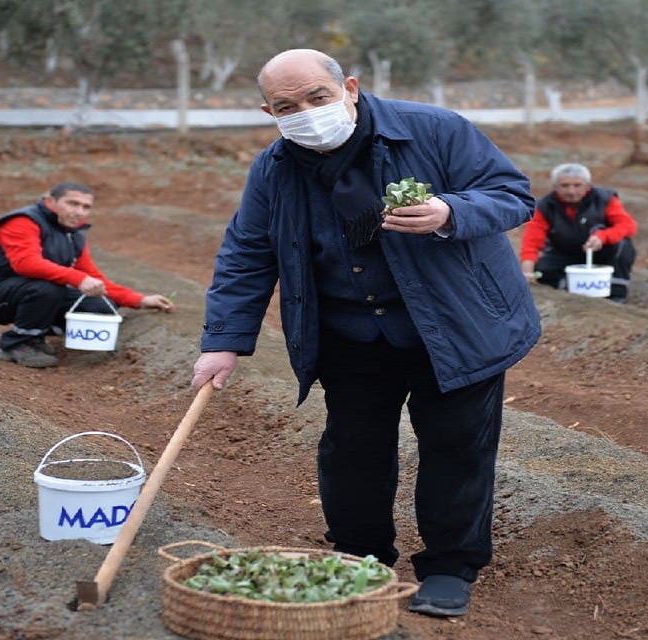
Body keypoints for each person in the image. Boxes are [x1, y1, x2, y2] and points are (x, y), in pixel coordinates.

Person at [189, 49, 541, 618]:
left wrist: (448, 212)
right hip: (350, 333)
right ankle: (360, 558)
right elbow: (248, 252)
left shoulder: (434, 130)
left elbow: (512, 195)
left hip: (455, 326)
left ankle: (451, 564)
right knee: (352, 452)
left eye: (317, 97)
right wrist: (222, 341)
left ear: (349, 87)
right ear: (268, 111)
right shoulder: (276, 168)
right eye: (287, 106)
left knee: (456, 448)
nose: (304, 112)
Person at [0, 182, 174, 368]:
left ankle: (36, 333)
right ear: (50, 202)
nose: (79, 211)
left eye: (86, 207)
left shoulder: (74, 235)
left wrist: (140, 300)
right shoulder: (22, 221)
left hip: (25, 291)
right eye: (73, 203)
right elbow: (26, 264)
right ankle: (16, 344)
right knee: (48, 288)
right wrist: (78, 279)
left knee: (99, 304)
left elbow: (93, 277)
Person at [519, 163, 638, 303]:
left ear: (588, 185)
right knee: (540, 270)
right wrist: (527, 271)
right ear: (555, 186)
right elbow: (532, 240)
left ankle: (617, 293)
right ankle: (569, 286)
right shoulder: (545, 206)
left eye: (577, 185)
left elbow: (628, 225)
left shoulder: (604, 198)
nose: (571, 191)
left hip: (600, 251)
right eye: (564, 186)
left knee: (623, 246)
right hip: (564, 253)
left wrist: (603, 236)